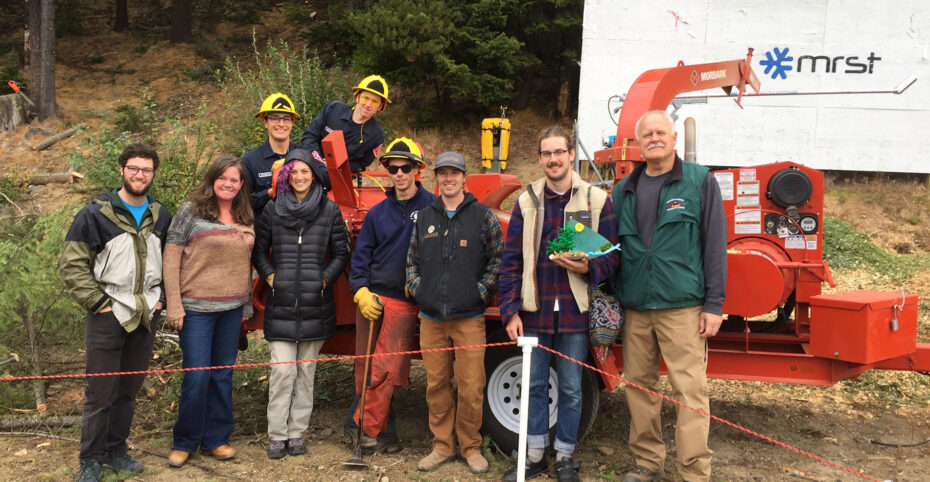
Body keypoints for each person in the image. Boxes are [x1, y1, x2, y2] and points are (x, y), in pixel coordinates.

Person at [498, 126, 620, 482]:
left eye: (559, 152)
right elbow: (511, 263)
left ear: (571, 155)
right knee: (534, 385)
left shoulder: (596, 200)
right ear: (540, 159)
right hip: (535, 313)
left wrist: (589, 265)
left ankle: (565, 456)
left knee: (570, 387)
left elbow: (613, 257)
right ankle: (534, 455)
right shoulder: (527, 201)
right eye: (546, 154)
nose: (553, 159)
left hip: (574, 313)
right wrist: (509, 311)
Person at [611, 110, 726, 482]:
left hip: (683, 307)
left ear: (674, 139)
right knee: (639, 388)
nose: (654, 138)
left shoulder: (698, 181)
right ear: (638, 143)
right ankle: (647, 462)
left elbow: (714, 245)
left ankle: (693, 472)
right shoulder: (623, 189)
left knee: (690, 393)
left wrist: (714, 304)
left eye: (661, 132)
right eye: (647, 134)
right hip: (637, 307)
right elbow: (613, 250)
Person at [61, 143, 171, 482]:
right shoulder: (95, 214)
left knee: (128, 390)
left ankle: (116, 451)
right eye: (134, 168)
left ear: (154, 174)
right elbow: (72, 265)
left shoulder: (161, 215)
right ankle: (90, 461)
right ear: (122, 169)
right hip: (109, 312)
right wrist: (99, 304)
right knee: (100, 392)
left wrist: (162, 299)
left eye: (147, 169)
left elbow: (173, 262)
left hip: (145, 313)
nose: (140, 175)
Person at [406, 152, 503, 474]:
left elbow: (497, 260)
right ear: (437, 179)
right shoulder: (424, 218)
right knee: (436, 385)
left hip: (469, 318)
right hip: (432, 318)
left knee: (472, 385)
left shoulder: (482, 216)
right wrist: (421, 290)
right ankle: (442, 446)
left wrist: (479, 292)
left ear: (465, 178)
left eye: (454, 173)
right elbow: (411, 263)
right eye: (443, 174)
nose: (448, 179)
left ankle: (471, 447)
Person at [252, 148, 349, 459]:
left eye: (305, 171)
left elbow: (341, 254)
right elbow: (258, 251)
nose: (299, 177)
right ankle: (277, 434)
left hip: (315, 304)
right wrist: (269, 277)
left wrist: (323, 280)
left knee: (306, 373)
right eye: (293, 172)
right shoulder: (271, 209)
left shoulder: (329, 211)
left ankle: (297, 433)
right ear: (285, 176)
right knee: (282, 371)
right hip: (281, 304)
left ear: (314, 175)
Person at [162, 156, 255, 468]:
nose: (228, 184)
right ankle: (185, 441)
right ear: (212, 179)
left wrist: (247, 304)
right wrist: (174, 304)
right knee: (197, 376)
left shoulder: (245, 213)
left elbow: (247, 261)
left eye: (235, 180)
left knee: (222, 375)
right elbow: (171, 256)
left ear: (242, 185)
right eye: (223, 178)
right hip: (196, 309)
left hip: (231, 309)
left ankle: (216, 439)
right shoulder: (192, 210)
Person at [346, 137, 436, 453]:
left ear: (417, 170)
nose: (398, 173)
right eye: (393, 168)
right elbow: (360, 259)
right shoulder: (377, 213)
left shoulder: (432, 209)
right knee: (366, 368)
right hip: (373, 299)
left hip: (404, 301)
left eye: (405, 167)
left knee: (389, 371)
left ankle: (359, 425)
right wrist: (360, 292)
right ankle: (382, 434)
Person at [300, 74, 389, 174]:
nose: (368, 105)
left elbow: (362, 163)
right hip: (310, 168)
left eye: (375, 101)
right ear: (357, 97)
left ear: (380, 107)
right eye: (365, 98)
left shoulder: (377, 135)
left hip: (340, 178)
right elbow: (310, 136)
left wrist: (338, 166)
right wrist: (318, 160)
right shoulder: (333, 109)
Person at [242, 92, 301, 217]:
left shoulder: (303, 156)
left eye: (286, 118)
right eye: (275, 118)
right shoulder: (250, 161)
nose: (281, 124)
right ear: (265, 123)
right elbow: (242, 203)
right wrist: (272, 191)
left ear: (292, 123)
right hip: (266, 232)